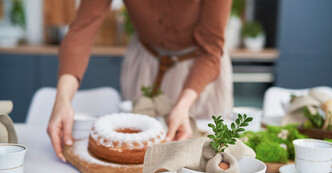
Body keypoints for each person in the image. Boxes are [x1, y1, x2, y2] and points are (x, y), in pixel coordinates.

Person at [47, 0, 234, 162]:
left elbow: (210, 50)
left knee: (205, 154)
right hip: (146, 64)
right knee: (138, 152)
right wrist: (63, 100)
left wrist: (183, 106)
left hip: (200, 72)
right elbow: (81, 31)